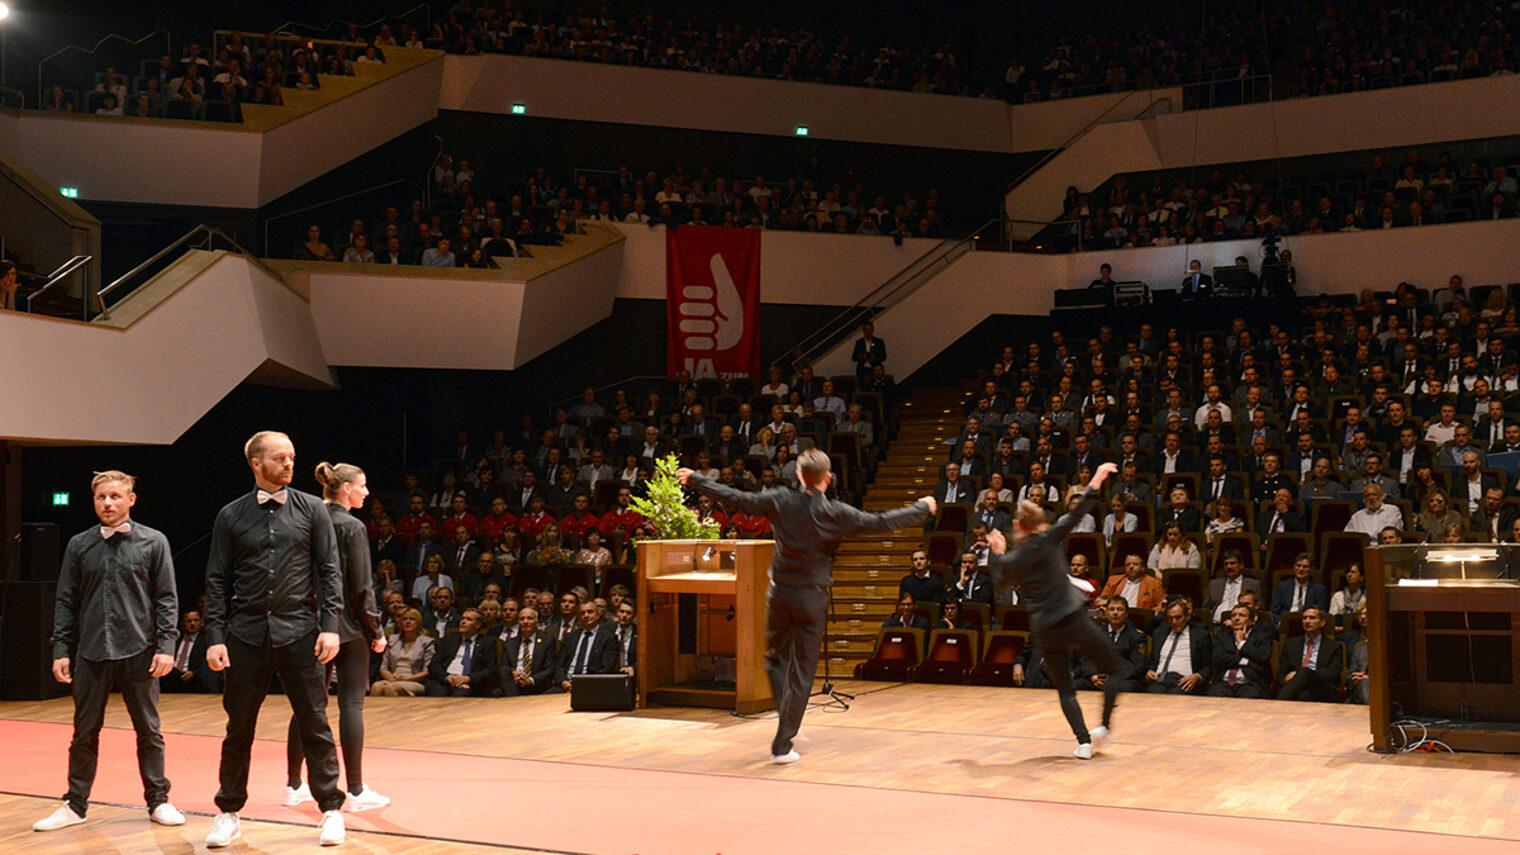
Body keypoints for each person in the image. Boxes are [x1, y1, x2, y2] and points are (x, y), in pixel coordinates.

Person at [679, 449, 934, 764]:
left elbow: (735, 498)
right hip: (811, 597)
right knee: (801, 673)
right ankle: (783, 741)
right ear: (827, 478)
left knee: (774, 660)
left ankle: (787, 721)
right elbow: (880, 522)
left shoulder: (780, 499)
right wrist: (921, 507)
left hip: (780, 594)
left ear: (799, 476)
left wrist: (696, 479)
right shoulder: (835, 512)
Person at [202, 431, 347, 848]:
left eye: (292, 457)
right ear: (256, 463)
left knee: (315, 723)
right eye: (280, 458)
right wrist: (214, 636)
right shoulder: (230, 515)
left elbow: (329, 570)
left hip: (300, 632)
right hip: (245, 635)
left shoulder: (312, 510)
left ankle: (331, 811)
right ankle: (228, 812)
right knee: (238, 728)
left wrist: (331, 626)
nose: (288, 464)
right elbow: (215, 579)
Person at [34, 470, 185, 832]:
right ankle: (75, 805)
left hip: (140, 650)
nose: (108, 503)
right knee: (84, 731)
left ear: (131, 499)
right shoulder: (79, 544)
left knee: (149, 731)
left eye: (115, 497)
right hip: (91, 651)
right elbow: (66, 600)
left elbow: (166, 598)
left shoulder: (154, 542)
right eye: (102, 497)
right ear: (94, 500)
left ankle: (159, 801)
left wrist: (167, 646)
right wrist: (60, 648)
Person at [985, 461, 1133, 759]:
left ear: (1017, 527)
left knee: (1065, 689)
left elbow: (999, 583)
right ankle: (1102, 727)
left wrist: (996, 553)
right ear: (1040, 524)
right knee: (1116, 670)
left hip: (1044, 628)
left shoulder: (1014, 559)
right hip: (1072, 618)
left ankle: (1084, 742)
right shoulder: (1049, 538)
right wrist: (1096, 478)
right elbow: (1077, 513)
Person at [284, 461, 389, 813]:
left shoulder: (306, 520)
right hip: (346, 627)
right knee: (351, 705)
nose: (366, 492)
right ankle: (356, 791)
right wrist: (376, 629)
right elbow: (361, 587)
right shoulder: (352, 526)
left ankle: (294, 784)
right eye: (362, 486)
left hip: (308, 625)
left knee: (307, 705)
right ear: (346, 489)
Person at [1276, 606, 1344, 702]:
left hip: (1323, 689)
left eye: (1312, 618)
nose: (1307, 621)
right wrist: (1287, 679)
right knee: (1304, 695)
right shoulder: (1290, 644)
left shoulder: (1334, 646)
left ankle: (1278, 703)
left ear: (1322, 622)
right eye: (1304, 618)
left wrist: (1304, 674)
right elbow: (1281, 673)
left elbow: (1333, 673)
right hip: (1296, 688)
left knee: (1305, 672)